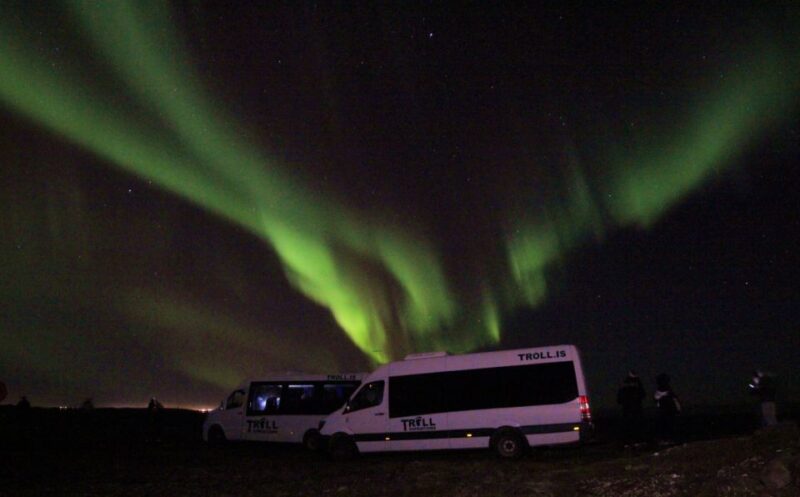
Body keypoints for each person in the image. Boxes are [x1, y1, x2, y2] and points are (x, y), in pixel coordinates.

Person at [617, 370, 646, 444]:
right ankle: (635, 441)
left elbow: (619, 400)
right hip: (635, 411)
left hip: (628, 411)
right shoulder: (636, 388)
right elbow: (643, 394)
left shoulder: (624, 388)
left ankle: (629, 442)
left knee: (629, 427)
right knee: (635, 426)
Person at [653, 373, 680, 445]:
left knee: (665, 425)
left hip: (666, 410)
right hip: (667, 410)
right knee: (667, 425)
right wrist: (678, 408)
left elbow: (656, 399)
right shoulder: (667, 390)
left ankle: (666, 439)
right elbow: (674, 399)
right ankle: (667, 439)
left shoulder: (665, 390)